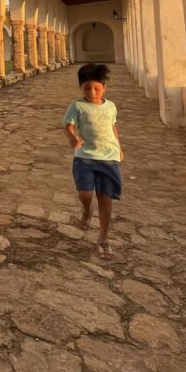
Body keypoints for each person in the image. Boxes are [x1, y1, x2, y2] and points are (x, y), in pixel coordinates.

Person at [63, 63, 123, 259]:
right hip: (85, 156)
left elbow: (113, 128)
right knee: (85, 193)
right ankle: (87, 210)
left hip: (108, 157)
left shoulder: (111, 106)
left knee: (105, 198)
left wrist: (119, 148)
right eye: (87, 88)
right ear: (80, 88)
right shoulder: (77, 106)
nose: (92, 92)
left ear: (104, 87)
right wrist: (72, 137)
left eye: (96, 88)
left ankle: (103, 238)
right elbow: (69, 126)